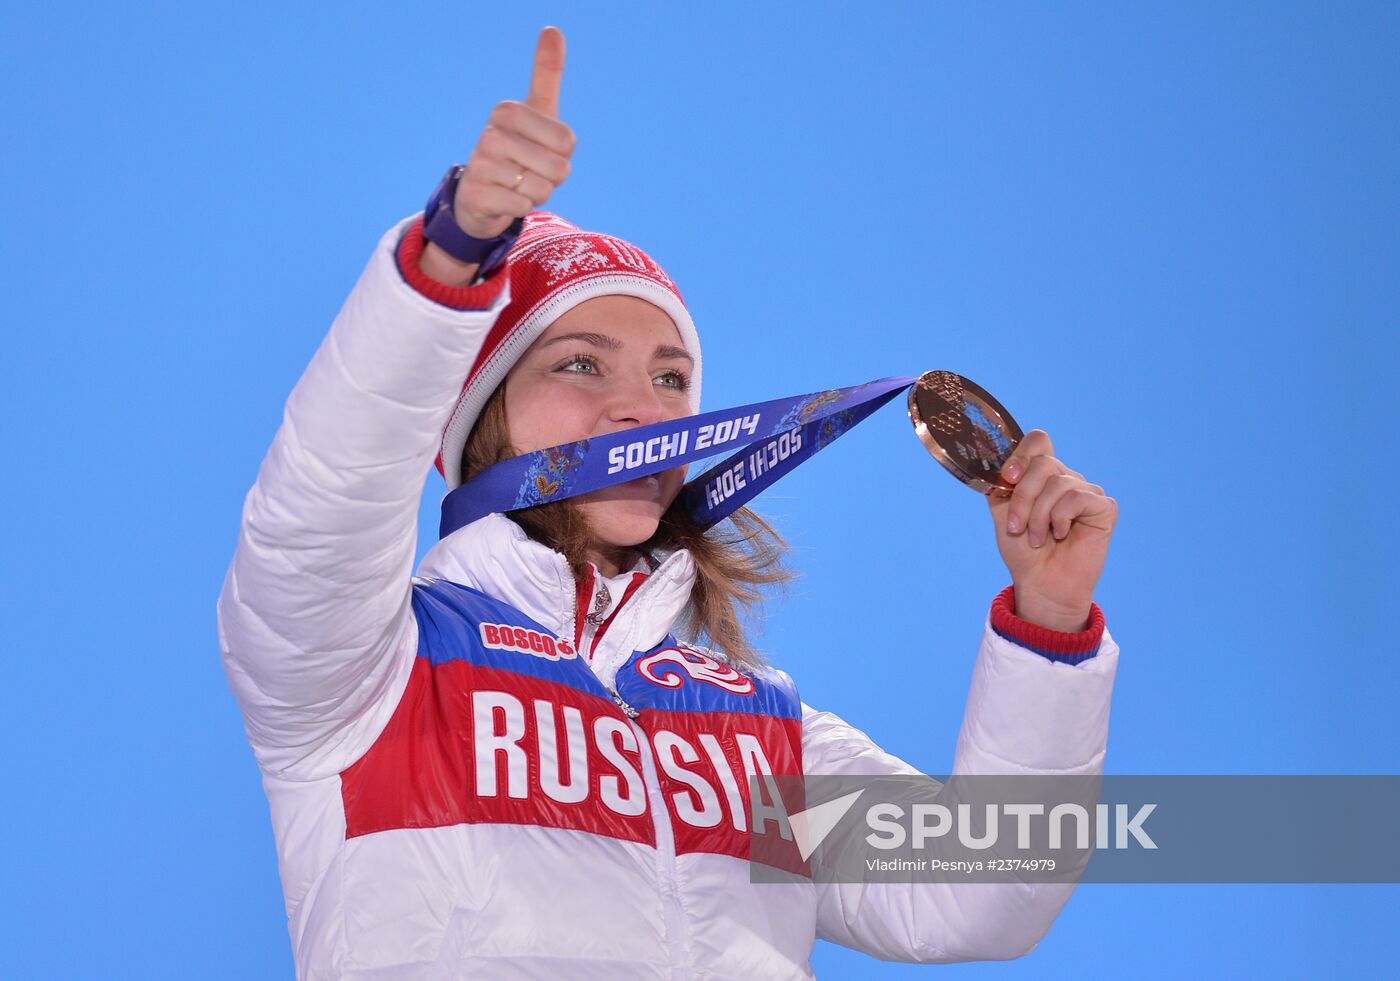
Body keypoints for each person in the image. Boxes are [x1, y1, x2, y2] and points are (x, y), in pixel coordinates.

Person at [218, 26, 1120, 981]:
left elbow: (981, 893)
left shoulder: (761, 724)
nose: (639, 406)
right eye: (580, 364)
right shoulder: (368, 670)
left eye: (672, 376)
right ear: (480, 418)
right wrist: (453, 260)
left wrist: (1050, 621)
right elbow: (323, 501)